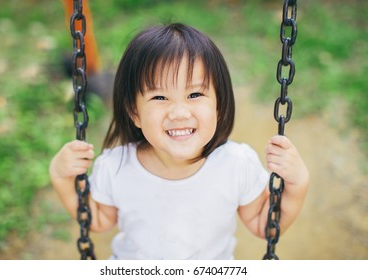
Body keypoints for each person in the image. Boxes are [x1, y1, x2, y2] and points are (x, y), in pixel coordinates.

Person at [49, 23, 310, 259]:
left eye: (195, 94)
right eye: (160, 98)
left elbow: (263, 224)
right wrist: (61, 177)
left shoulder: (235, 165)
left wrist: (297, 184)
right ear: (134, 113)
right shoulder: (116, 166)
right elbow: (96, 219)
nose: (179, 113)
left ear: (218, 106)